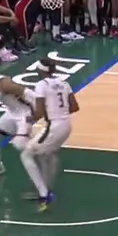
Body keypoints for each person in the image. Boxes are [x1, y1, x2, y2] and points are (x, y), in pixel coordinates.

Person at [22, 59, 78, 210]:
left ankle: (43, 194)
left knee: (26, 154)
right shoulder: (64, 83)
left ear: (41, 70)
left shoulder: (41, 85)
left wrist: (28, 119)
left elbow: (39, 112)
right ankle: (47, 188)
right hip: (66, 126)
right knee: (48, 154)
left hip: (53, 127)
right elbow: (74, 106)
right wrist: (58, 111)